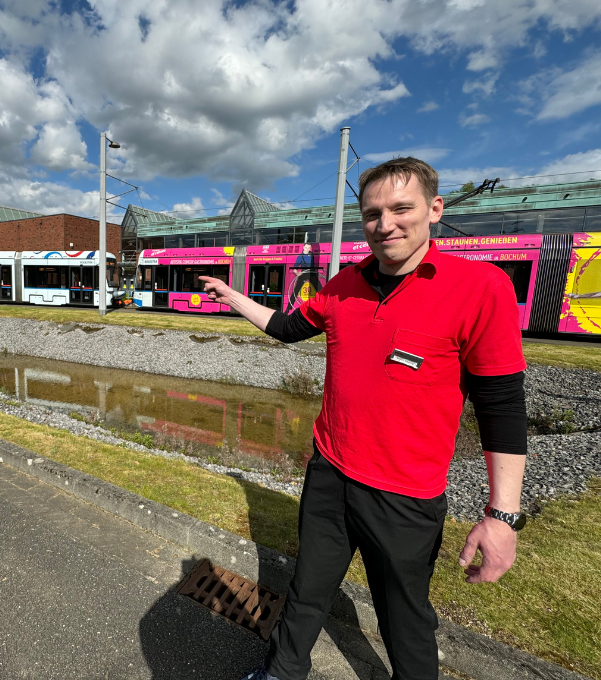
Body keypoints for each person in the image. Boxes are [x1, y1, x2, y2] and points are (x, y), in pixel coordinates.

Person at [200, 157, 528, 680]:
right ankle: (279, 673)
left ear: (434, 210)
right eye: (373, 213)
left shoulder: (480, 288)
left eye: (402, 208)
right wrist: (233, 295)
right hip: (330, 476)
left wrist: (502, 516)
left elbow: (503, 408)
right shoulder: (341, 285)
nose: (386, 224)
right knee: (306, 592)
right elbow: (286, 328)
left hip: (406, 496)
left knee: (406, 619)